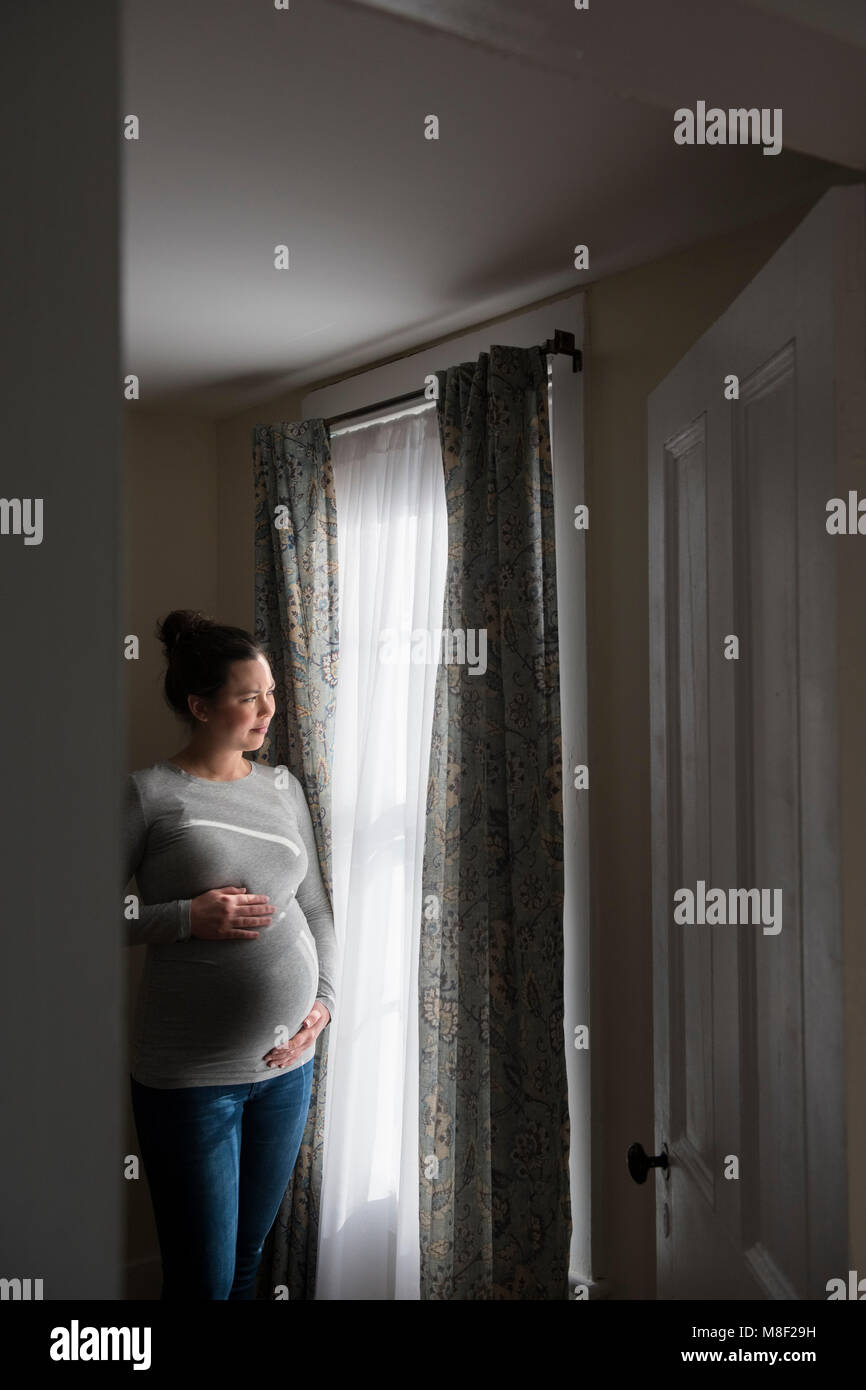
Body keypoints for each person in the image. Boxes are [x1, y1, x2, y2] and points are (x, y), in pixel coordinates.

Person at [124, 608, 338, 1300]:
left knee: (246, 1266)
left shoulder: (282, 788)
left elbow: (313, 907)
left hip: (287, 1070)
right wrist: (187, 917)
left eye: (270, 691)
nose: (270, 709)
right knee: (204, 1283)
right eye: (250, 697)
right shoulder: (150, 795)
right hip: (191, 1081)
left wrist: (325, 1002)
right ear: (200, 706)